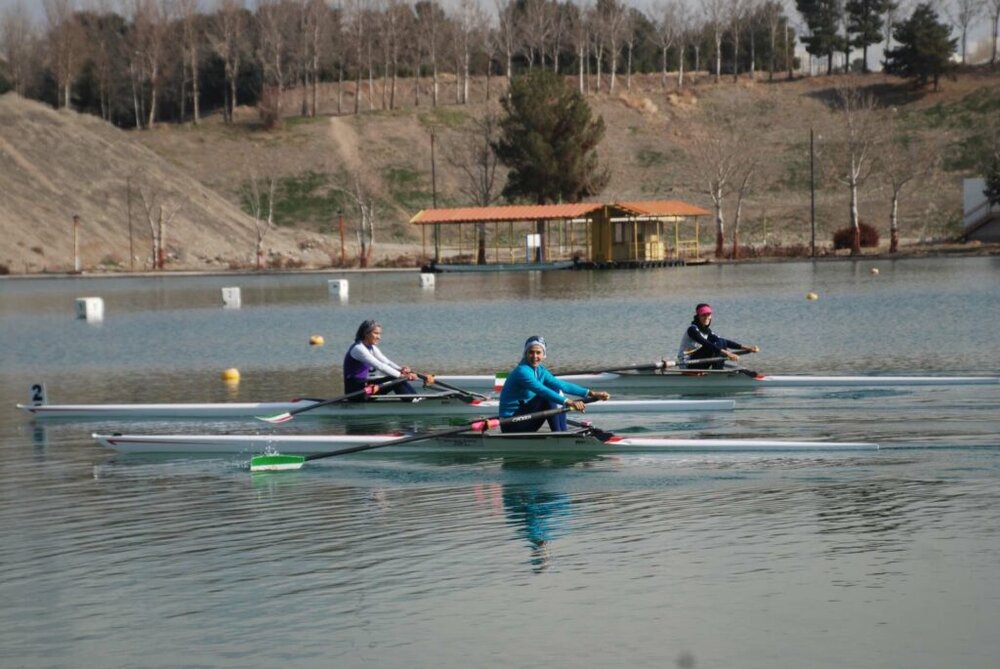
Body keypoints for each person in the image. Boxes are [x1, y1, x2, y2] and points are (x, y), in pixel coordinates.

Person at [498, 335, 610, 432]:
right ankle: (560, 435)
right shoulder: (522, 371)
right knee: (547, 396)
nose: (535, 356)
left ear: (544, 355)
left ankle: (562, 432)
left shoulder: (540, 370)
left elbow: (562, 385)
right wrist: (569, 402)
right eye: (531, 352)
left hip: (526, 418)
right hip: (511, 424)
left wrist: (593, 393)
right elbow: (541, 390)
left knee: (555, 389)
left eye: (538, 353)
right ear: (525, 353)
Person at [343, 319, 432, 400]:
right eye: (376, 333)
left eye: (380, 334)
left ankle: (415, 398)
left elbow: (386, 362)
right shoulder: (359, 349)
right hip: (355, 392)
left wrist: (401, 370)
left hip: (365, 386)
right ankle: (414, 402)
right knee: (396, 379)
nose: (379, 337)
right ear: (366, 333)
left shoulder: (371, 348)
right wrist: (401, 376)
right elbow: (380, 366)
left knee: (395, 378)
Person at [677, 303, 760, 370]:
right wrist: (727, 353)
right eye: (703, 315)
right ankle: (717, 372)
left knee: (721, 341)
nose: (706, 317)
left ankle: (718, 370)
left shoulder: (707, 331)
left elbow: (725, 342)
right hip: (687, 364)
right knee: (716, 344)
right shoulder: (692, 330)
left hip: (697, 361)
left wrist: (747, 348)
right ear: (698, 316)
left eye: (708, 314)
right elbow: (705, 343)